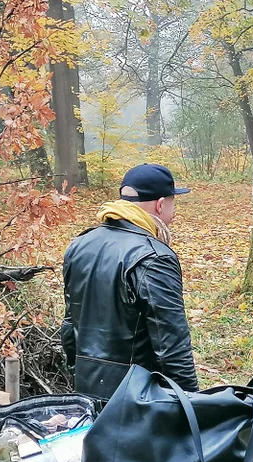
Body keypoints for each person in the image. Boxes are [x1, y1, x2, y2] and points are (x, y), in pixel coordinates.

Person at [61, 163, 198, 402]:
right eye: (173, 201)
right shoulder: (154, 257)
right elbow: (172, 346)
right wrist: (191, 404)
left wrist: (79, 376)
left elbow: (69, 327)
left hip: (86, 389)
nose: (174, 212)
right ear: (160, 204)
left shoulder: (79, 245)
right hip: (137, 399)